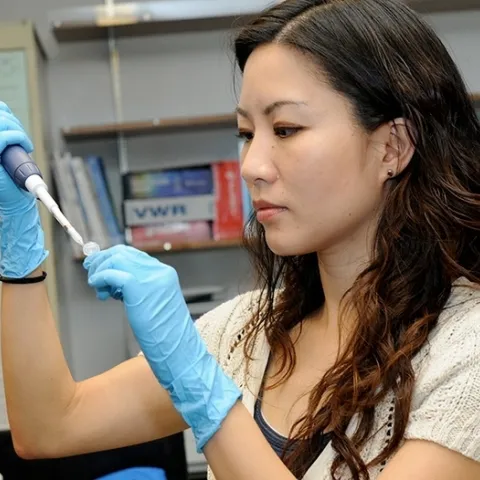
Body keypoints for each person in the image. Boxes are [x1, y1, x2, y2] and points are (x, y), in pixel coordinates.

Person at [1, 0, 479, 479]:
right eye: (247, 133)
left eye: (286, 129)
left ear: (392, 146)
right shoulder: (249, 331)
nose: (251, 166)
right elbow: (51, 425)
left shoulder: (466, 351)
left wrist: (201, 389)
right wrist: (17, 243)